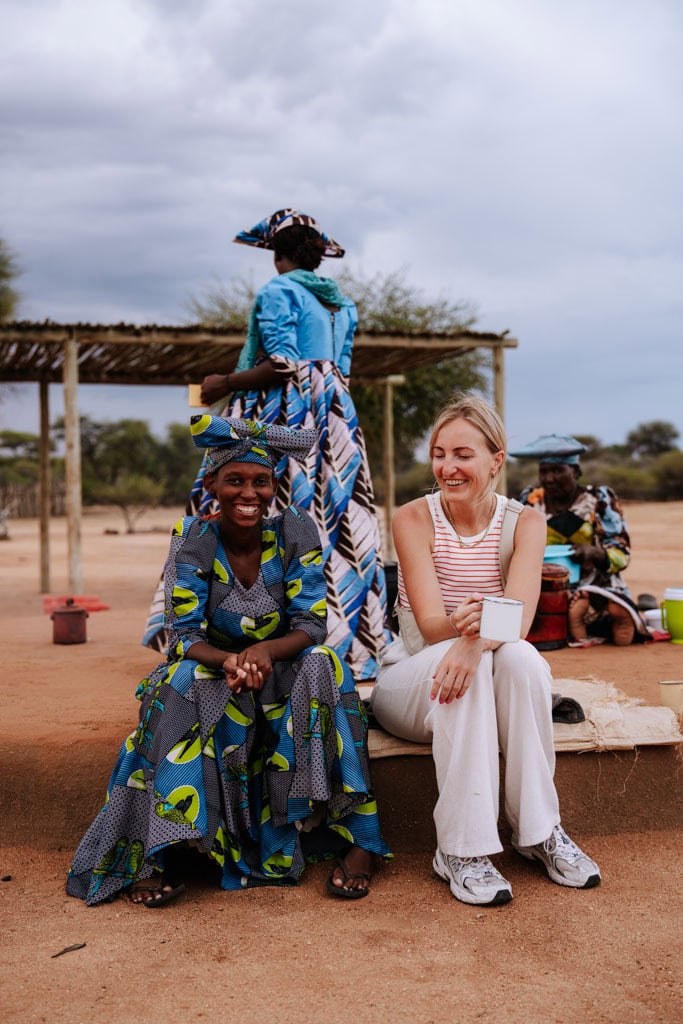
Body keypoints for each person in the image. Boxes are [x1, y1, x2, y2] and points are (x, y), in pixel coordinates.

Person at [67, 417, 391, 907]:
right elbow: (184, 634)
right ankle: (166, 849)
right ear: (212, 485)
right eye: (234, 480)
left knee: (325, 663)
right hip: (218, 671)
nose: (248, 492)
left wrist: (261, 653)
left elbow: (312, 624)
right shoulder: (194, 535)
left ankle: (360, 843)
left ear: (273, 486)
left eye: (260, 481)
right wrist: (231, 661)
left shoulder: (296, 529)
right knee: (180, 680)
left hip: (282, 671)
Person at [370, 393, 600, 907]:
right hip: (411, 683)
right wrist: (473, 636)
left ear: (496, 460)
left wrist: (476, 641)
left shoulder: (526, 523)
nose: (447, 468)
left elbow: (519, 619)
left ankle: (539, 832)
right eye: (438, 453)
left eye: (462, 455)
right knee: (480, 667)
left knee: (521, 659)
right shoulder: (414, 519)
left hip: (481, 668)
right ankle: (459, 850)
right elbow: (431, 628)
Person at [143, 209, 391, 681]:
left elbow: (281, 365)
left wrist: (224, 382)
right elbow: (339, 368)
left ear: (277, 255)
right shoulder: (343, 304)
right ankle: (346, 640)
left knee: (236, 499)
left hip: (283, 411)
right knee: (336, 519)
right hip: (335, 416)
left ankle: (212, 631)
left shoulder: (279, 290)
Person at [509, 434, 649, 648]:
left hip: (593, 583)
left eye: (557, 471)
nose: (549, 479)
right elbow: (512, 543)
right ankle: (582, 619)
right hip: (543, 584)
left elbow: (622, 554)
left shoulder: (599, 500)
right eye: (544, 471)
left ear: (576, 472)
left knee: (603, 598)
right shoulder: (530, 500)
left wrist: (595, 553)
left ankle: (601, 615)